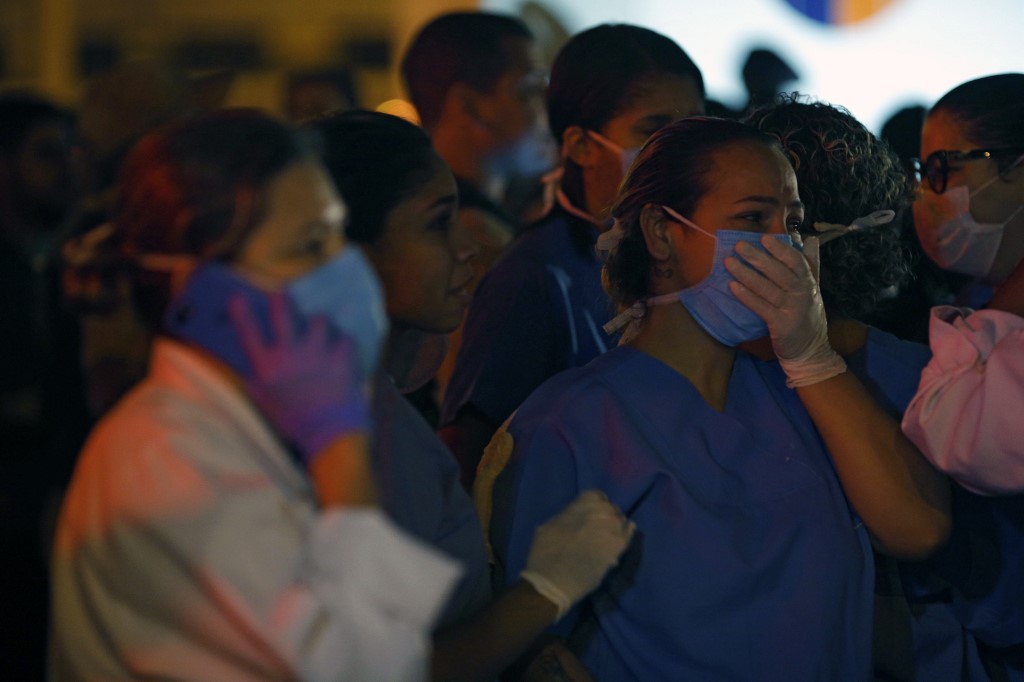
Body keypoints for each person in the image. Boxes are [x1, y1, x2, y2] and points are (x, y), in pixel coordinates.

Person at [490, 117, 951, 680]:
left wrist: (813, 358)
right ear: (662, 232)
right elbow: (530, 650)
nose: (783, 244)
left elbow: (920, 529)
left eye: (795, 223)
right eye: (753, 219)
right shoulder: (572, 422)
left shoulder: (802, 396)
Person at [49, 110, 463, 680]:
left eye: (339, 235)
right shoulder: (171, 461)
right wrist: (340, 440)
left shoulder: (239, 426)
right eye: (309, 246)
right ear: (206, 290)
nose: (345, 270)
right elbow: (372, 665)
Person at [312, 109, 634, 681]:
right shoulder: (334, 435)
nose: (468, 248)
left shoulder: (377, 402)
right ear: (347, 247)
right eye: (437, 224)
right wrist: (541, 594)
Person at [440, 23, 706, 489]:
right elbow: (470, 451)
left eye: (693, 132)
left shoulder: (682, 256)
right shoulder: (535, 276)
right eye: (654, 131)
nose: (680, 154)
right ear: (581, 145)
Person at [900, 73, 1024, 679]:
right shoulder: (986, 295)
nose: (926, 193)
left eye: (943, 169)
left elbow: (962, 435)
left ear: (1017, 169)